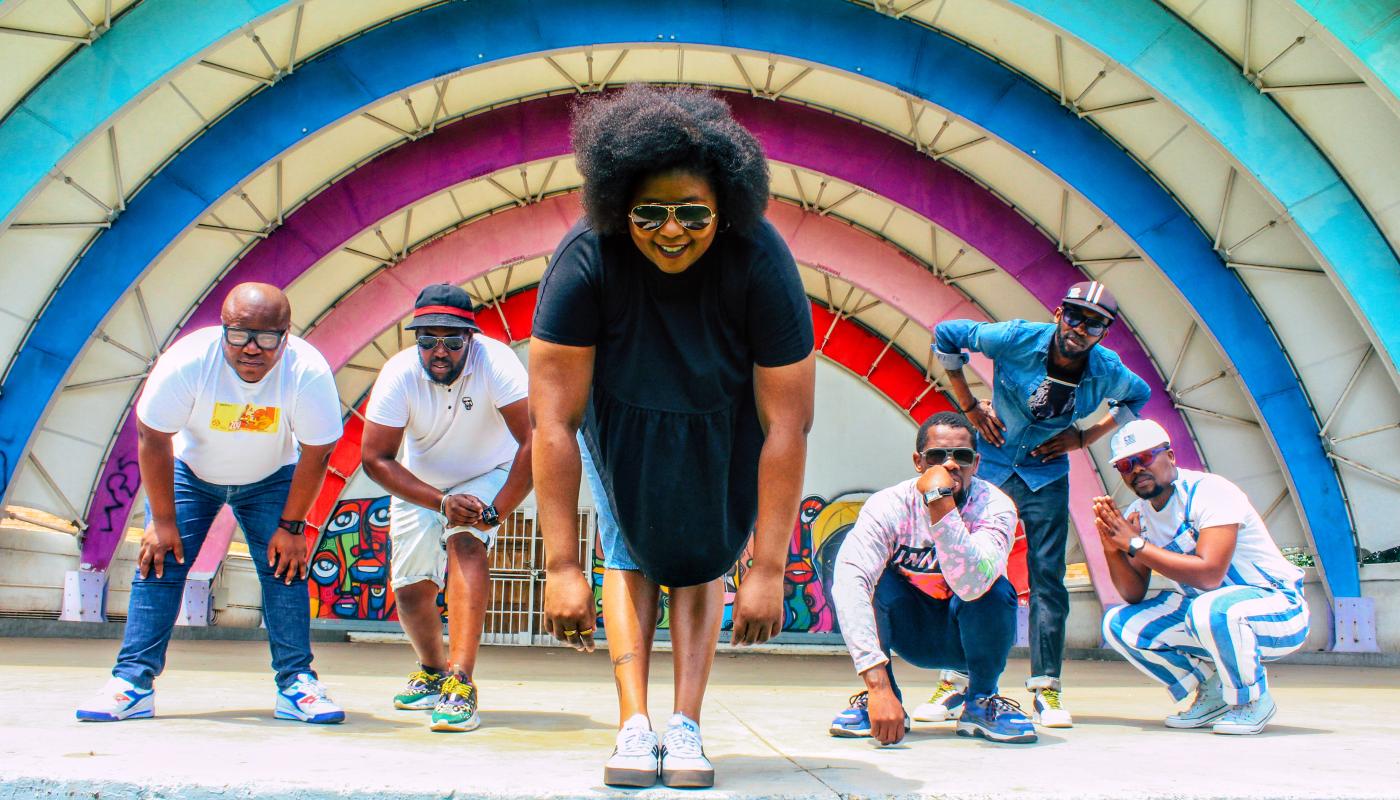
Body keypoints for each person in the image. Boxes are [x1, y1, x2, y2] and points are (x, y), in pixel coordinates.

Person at [529, 85, 815, 789]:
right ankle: (635, 723)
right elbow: (554, 421)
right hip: (621, 413)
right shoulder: (584, 258)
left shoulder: (763, 262)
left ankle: (685, 725)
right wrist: (562, 565)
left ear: (725, 211)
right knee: (630, 545)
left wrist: (770, 569)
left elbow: (788, 421)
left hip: (725, 416)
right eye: (649, 214)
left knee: (698, 554)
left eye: (693, 213)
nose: (671, 231)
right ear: (619, 208)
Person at [76, 283, 344, 723]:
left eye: (267, 337)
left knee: (285, 569)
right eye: (239, 335)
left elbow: (318, 451)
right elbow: (152, 435)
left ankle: (297, 684)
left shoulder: (307, 371)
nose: (251, 349)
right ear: (223, 330)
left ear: (286, 334)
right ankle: (132, 682)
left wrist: (293, 528)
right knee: (159, 562)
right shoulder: (188, 362)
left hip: (270, 477)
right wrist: (162, 520)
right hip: (190, 473)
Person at [933, 281, 1149, 727]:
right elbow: (947, 334)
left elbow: (1137, 397)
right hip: (990, 464)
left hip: (1046, 475)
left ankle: (1046, 689)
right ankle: (956, 682)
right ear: (1058, 312)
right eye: (1074, 316)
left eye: (1094, 323)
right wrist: (970, 406)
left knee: (1047, 578)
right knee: (967, 568)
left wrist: (1086, 436)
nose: (1080, 328)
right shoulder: (1014, 337)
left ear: (1104, 333)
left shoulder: (1107, 370)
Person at [360, 284, 532, 732]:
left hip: (486, 473)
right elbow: (374, 458)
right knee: (411, 585)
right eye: (427, 340)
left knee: (466, 545)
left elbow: (536, 440)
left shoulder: (497, 364)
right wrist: (438, 501)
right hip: (423, 484)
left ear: (470, 339)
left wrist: (497, 510)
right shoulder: (399, 374)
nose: (440, 351)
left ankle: (461, 682)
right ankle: (433, 671)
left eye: (452, 341)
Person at [828, 412, 1034, 745]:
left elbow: (972, 584)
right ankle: (883, 701)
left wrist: (939, 503)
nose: (951, 465)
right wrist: (877, 685)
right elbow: (849, 579)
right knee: (870, 581)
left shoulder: (996, 506)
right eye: (937, 456)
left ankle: (980, 701)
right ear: (918, 462)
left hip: (969, 634)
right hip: (912, 631)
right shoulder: (888, 506)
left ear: (976, 463)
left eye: (962, 457)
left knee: (995, 586)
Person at [1096, 419, 1308, 735]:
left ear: (1170, 456)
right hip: (1205, 616)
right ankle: (1213, 693)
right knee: (1119, 624)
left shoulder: (1210, 491)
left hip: (1277, 608)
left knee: (1211, 607)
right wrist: (1112, 547)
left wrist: (1135, 544)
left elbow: (1210, 574)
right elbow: (1133, 592)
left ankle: (1251, 700)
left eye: (1144, 458)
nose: (1136, 469)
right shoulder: (1137, 515)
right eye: (1126, 465)